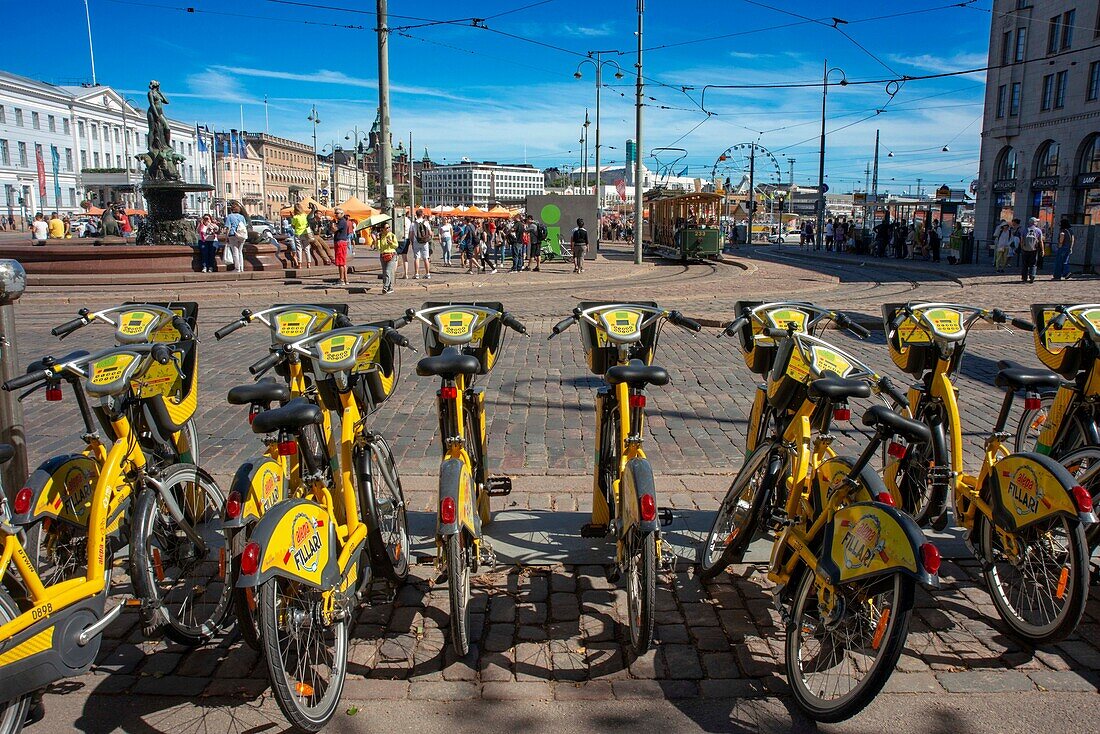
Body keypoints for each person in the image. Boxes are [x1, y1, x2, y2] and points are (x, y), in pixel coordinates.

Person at [375, 221, 398, 294]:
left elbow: (396, 246)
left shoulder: (392, 235)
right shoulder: (381, 236)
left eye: (389, 227)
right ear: (382, 229)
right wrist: (378, 239)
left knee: (388, 271)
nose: (388, 229)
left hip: (392, 255)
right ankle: (390, 288)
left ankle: (385, 287)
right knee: (385, 273)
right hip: (383, 255)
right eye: (386, 228)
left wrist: (391, 243)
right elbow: (378, 248)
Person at [331, 208, 352, 285]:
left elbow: (334, 229)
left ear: (342, 214)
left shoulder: (341, 222)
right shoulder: (342, 221)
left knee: (340, 262)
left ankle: (341, 280)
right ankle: (346, 280)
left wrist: (332, 224)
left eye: (337, 213)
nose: (336, 215)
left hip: (340, 242)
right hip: (342, 242)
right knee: (343, 262)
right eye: (335, 213)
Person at [224, 203, 248, 272]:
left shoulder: (230, 216)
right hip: (241, 236)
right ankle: (241, 268)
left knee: (235, 252)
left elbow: (228, 227)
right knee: (240, 252)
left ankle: (237, 268)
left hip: (233, 235)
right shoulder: (242, 217)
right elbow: (245, 226)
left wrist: (226, 237)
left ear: (231, 209)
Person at [1020, 217, 1043, 283]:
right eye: (1037, 222)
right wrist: (1042, 250)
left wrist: (1022, 247)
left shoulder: (1024, 230)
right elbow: (1040, 241)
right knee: (1033, 263)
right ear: (1034, 223)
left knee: (1025, 264)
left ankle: (1024, 277)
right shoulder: (1038, 230)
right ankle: (1032, 275)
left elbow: (1022, 240)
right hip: (1034, 249)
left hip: (1025, 249)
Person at [412, 209, 433, 280]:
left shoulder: (413, 223)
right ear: (422, 215)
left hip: (416, 241)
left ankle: (416, 274)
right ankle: (428, 274)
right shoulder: (426, 222)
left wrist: (412, 242)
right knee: (426, 258)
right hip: (424, 242)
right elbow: (430, 233)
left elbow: (411, 234)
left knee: (417, 258)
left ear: (416, 215)